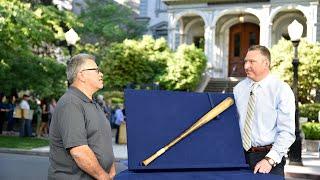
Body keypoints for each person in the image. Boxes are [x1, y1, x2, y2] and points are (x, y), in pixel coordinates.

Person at [48, 53, 115, 180]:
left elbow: (102, 141)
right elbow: (79, 151)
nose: (101, 74)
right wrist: (103, 176)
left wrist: (111, 169)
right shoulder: (71, 103)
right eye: (96, 70)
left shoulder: (93, 104)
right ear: (82, 75)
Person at [233, 45, 295, 176]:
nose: (246, 66)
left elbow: (287, 132)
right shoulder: (239, 89)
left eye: (252, 62)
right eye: (245, 61)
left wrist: (270, 159)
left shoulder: (281, 89)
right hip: (238, 158)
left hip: (268, 158)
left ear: (266, 63)